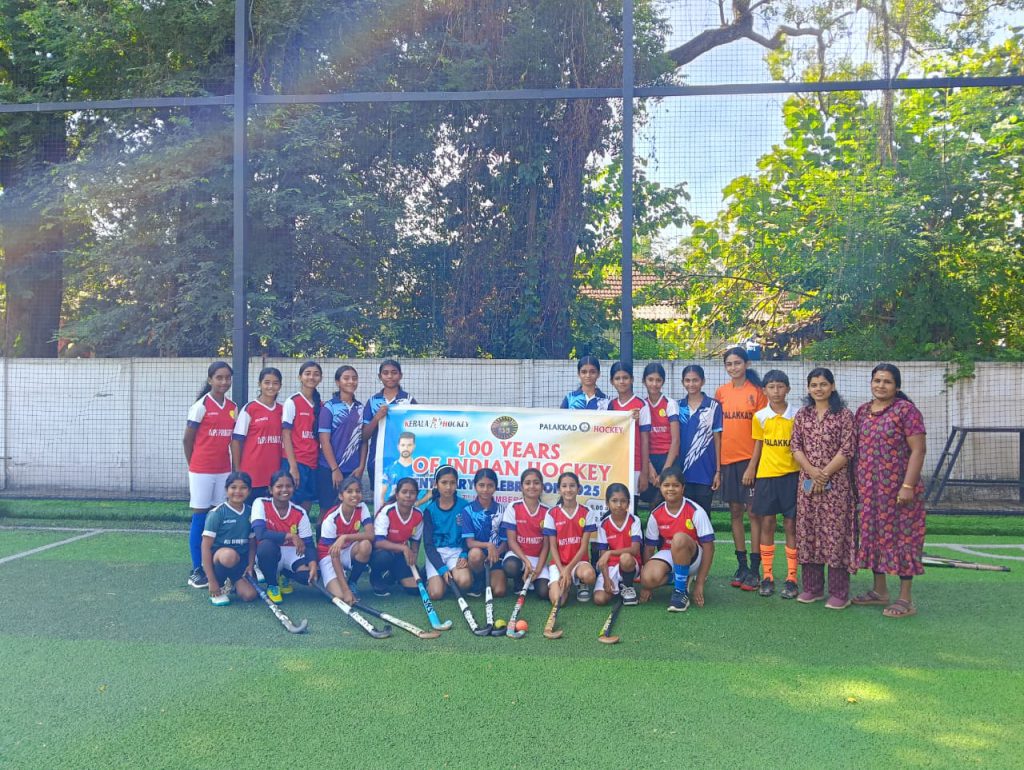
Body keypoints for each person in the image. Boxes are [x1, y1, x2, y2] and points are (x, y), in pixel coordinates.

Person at [851, 363, 927, 618]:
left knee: (904, 539)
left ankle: (905, 599)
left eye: (887, 381)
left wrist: (908, 486)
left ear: (897, 386)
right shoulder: (863, 412)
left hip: (899, 492)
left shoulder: (906, 411)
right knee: (873, 537)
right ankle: (879, 591)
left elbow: (918, 450)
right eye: (877, 380)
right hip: (870, 492)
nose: (881, 386)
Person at [790, 368, 856, 608]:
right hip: (807, 485)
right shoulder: (802, 414)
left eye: (823, 384)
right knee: (808, 531)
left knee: (835, 534)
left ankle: (839, 593)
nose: (819, 389)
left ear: (832, 387)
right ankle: (812, 588)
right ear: (808, 388)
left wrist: (824, 474)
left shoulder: (844, 415)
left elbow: (847, 449)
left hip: (836, 486)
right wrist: (811, 471)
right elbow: (795, 446)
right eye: (814, 385)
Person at [715, 346, 767, 591]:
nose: (733, 367)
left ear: (746, 364)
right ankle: (742, 566)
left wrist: (753, 466)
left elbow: (761, 434)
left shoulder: (757, 392)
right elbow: (717, 431)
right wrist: (718, 466)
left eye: (737, 363)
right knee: (735, 512)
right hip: (728, 462)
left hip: (750, 462)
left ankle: (755, 569)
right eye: (729, 364)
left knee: (754, 513)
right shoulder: (721, 393)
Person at [183, 361, 236, 589]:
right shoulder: (201, 405)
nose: (223, 382)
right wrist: (194, 465)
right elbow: (187, 440)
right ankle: (197, 569)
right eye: (219, 377)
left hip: (223, 470)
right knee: (200, 517)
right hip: (201, 471)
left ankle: (214, 565)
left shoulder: (233, 407)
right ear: (210, 380)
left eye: (227, 378)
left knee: (217, 518)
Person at [749, 370, 800, 599]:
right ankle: (767, 576)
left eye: (780, 386)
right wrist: (752, 468)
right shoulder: (760, 416)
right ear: (764, 390)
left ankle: (792, 578)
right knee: (767, 523)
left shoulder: (797, 415)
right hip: (767, 476)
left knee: (791, 525)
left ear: (788, 389)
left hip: (792, 476)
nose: (776, 391)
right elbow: (758, 445)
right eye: (771, 387)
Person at [639, 466, 716, 612]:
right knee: (647, 578)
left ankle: (680, 593)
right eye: (666, 485)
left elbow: (709, 547)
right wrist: (647, 586)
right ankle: (682, 578)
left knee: (679, 538)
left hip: (693, 558)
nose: (671, 489)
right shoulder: (656, 514)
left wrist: (700, 582)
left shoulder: (696, 511)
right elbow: (649, 549)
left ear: (683, 488)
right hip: (669, 554)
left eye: (675, 485)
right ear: (660, 487)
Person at [251, 470, 318, 603]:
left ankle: (284, 575)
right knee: (266, 547)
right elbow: (260, 534)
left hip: (291, 553)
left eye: (288, 486)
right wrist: (290, 535)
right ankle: (272, 584)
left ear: (293, 488)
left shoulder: (300, 512)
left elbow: (309, 544)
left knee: (310, 576)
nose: (284, 490)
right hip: (270, 552)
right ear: (271, 489)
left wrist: (313, 565)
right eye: (279, 486)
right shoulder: (260, 503)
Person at [200, 471, 258, 606]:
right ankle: (219, 584)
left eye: (243, 488)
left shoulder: (251, 512)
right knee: (229, 556)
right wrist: (211, 581)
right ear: (226, 490)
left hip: (239, 563)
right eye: (233, 487)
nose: (238, 491)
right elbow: (205, 546)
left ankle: (231, 582)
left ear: (249, 491)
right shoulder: (217, 513)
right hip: (221, 559)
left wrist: (250, 565)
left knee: (250, 595)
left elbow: (252, 544)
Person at [543, 472, 599, 607]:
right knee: (558, 601)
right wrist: (562, 570)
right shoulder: (551, 513)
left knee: (590, 576)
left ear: (578, 489)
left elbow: (583, 547)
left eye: (572, 486)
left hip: (579, 562)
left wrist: (568, 570)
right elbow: (553, 547)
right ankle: (566, 584)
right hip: (558, 564)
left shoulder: (587, 512)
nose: (568, 489)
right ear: (559, 489)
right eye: (564, 486)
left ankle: (581, 582)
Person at [317, 365, 367, 513]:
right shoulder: (329, 407)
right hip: (329, 468)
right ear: (338, 382)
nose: (351, 381)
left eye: (354, 378)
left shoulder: (361, 408)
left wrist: (361, 466)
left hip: (352, 470)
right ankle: (321, 530)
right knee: (326, 510)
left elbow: (363, 440)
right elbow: (324, 441)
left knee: (350, 510)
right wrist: (335, 469)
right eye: (346, 378)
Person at [317, 475, 374, 605]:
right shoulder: (331, 518)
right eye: (349, 491)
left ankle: (352, 582)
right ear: (341, 496)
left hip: (347, 548)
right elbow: (334, 555)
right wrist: (345, 590)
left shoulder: (362, 507)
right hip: (328, 555)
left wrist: (345, 537)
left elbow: (371, 534)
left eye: (358, 491)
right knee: (340, 596)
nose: (354, 495)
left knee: (366, 546)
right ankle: (326, 576)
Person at [362, 360, 417, 492]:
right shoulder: (373, 401)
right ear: (380, 376)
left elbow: (417, 427)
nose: (390, 376)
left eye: (394, 373)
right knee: (380, 496)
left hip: (402, 457)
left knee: (404, 493)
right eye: (385, 373)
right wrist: (377, 418)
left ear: (400, 375)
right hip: (378, 458)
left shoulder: (408, 400)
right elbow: (364, 435)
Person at [231, 367, 283, 503]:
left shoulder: (282, 410)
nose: (271, 386)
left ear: (280, 386)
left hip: (274, 474)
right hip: (252, 474)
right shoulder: (250, 409)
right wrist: (238, 470)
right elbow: (236, 441)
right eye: (267, 382)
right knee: (249, 511)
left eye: (275, 383)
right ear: (259, 384)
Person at [422, 465, 473, 601]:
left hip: (456, 552)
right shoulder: (429, 510)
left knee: (465, 582)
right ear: (436, 484)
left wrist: (464, 553)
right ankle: (432, 576)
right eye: (444, 482)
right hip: (436, 553)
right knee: (436, 594)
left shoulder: (464, 506)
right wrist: (442, 568)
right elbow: (428, 545)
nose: (448, 487)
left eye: (452, 483)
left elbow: (468, 534)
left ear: (457, 484)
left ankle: (450, 576)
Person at [677, 364, 722, 514]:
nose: (691, 384)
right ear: (683, 382)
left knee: (703, 515)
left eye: (695, 380)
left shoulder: (714, 406)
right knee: (685, 516)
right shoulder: (677, 406)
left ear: (703, 381)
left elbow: (717, 439)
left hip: (706, 472)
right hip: (682, 472)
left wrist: (718, 471)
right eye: (687, 380)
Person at [501, 468, 552, 600]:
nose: (532, 486)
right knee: (511, 566)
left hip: (538, 559)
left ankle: (531, 579)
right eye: (527, 483)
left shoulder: (548, 511)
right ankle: (519, 579)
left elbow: (546, 546)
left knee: (544, 592)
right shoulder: (513, 507)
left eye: (536, 483)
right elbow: (511, 541)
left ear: (542, 487)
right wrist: (526, 561)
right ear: (521, 487)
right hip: (518, 556)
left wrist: (538, 568)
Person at [369, 477, 424, 597]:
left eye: (412, 492)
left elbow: (415, 540)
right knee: (384, 557)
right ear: (397, 495)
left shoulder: (418, 515)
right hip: (381, 552)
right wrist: (404, 548)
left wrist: (413, 555)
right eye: (404, 492)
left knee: (414, 590)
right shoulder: (387, 511)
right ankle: (375, 576)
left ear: (416, 496)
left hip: (399, 555)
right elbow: (378, 542)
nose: (408, 495)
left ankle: (393, 574)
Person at [281, 361, 322, 514]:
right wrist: (293, 466)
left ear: (320, 378)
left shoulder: (320, 404)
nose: (311, 377)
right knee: (291, 500)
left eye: (316, 374)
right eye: (307, 373)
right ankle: (288, 529)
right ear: (300, 377)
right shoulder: (292, 402)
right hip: (296, 461)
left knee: (307, 499)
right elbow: (286, 435)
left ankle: (303, 527)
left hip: (313, 461)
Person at [462, 468, 508, 598]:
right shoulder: (468, 510)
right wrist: (489, 545)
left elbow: (505, 541)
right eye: (481, 485)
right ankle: (479, 579)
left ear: (495, 487)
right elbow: (470, 543)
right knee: (475, 555)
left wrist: (496, 553)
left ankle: (493, 576)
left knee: (499, 591)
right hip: (478, 556)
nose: (485, 489)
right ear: (475, 486)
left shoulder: (502, 510)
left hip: (496, 557)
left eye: (490, 485)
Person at [593, 483, 641, 606]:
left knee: (625, 558)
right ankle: (618, 587)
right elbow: (603, 558)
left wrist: (610, 552)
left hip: (630, 564)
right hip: (611, 565)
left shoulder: (634, 520)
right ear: (607, 503)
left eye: (623, 501)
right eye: (614, 501)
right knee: (599, 599)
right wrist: (606, 579)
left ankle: (628, 586)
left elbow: (635, 550)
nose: (619, 505)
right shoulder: (603, 524)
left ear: (628, 503)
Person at [639, 362, 680, 506]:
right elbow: (641, 440)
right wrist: (649, 467)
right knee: (650, 499)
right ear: (644, 381)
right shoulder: (641, 405)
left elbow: (675, 440)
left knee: (667, 500)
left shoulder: (670, 404)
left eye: (658, 380)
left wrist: (665, 472)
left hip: (668, 459)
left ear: (663, 381)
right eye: (650, 380)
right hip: (648, 458)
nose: (654, 384)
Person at [605, 361, 646, 494]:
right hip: (614, 464)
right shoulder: (610, 405)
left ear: (632, 379)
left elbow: (645, 440)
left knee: (632, 502)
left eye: (625, 378)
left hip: (634, 464)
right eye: (617, 378)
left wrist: (644, 471)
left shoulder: (641, 405)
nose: (622, 381)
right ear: (612, 381)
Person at [380, 431, 417, 503]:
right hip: (394, 505)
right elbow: (382, 493)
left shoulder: (421, 468)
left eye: (409, 445)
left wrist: (418, 503)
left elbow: (429, 493)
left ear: (414, 446)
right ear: (398, 447)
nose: (406, 448)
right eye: (403, 445)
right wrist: (383, 503)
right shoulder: (389, 468)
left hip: (414, 507)